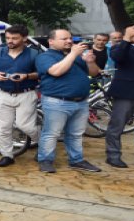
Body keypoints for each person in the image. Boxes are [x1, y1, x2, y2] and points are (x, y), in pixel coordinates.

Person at [35, 29, 102, 173]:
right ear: (51, 41)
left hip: (81, 102)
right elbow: (56, 71)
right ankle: (45, 160)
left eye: (70, 38)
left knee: (76, 134)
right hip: (57, 102)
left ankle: (76, 160)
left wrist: (90, 62)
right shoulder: (45, 56)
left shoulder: (76, 56)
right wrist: (73, 54)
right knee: (51, 133)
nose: (69, 41)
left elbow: (93, 73)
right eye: (64, 39)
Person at [0, 24, 40, 167]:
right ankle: (7, 155)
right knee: (3, 127)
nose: (10, 41)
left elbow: (42, 73)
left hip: (26, 94)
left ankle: (45, 146)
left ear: (24, 38)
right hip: (2, 94)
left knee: (26, 126)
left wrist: (27, 76)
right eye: (7, 38)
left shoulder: (34, 54)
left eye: (14, 38)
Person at [104, 24, 134, 168]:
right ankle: (113, 156)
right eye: (133, 33)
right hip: (125, 93)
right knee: (117, 126)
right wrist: (127, 39)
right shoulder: (119, 47)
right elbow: (118, 57)